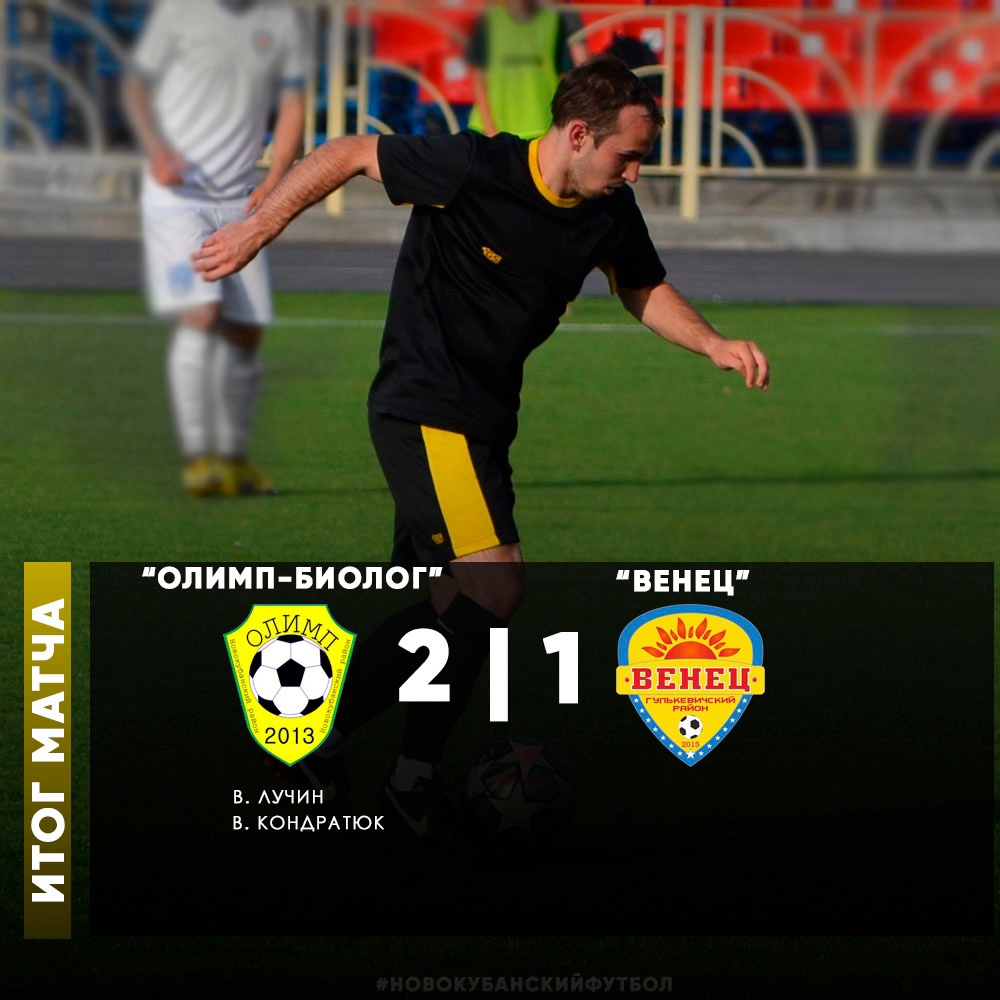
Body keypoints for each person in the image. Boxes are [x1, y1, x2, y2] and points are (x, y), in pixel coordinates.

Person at [194, 55, 769, 843]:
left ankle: (338, 754)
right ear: (578, 134)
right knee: (495, 589)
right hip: (427, 408)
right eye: (627, 156)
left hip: (486, 423)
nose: (635, 174)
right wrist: (256, 230)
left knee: (451, 609)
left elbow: (640, 285)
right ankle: (386, 769)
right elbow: (351, 152)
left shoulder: (608, 210)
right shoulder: (473, 166)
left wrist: (711, 342)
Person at [124, 0, 308, 497]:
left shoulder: (280, 19)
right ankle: (198, 459)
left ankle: (232, 457)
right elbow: (137, 87)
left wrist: (277, 175)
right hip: (177, 198)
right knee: (202, 313)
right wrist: (157, 152)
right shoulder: (179, 11)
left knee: (246, 332)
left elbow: (292, 101)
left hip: (240, 199)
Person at [467, 0, 589, 140]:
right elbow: (478, 75)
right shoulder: (491, 17)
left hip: (541, 125)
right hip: (491, 129)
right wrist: (489, 127)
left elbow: (566, 73)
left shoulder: (555, 20)